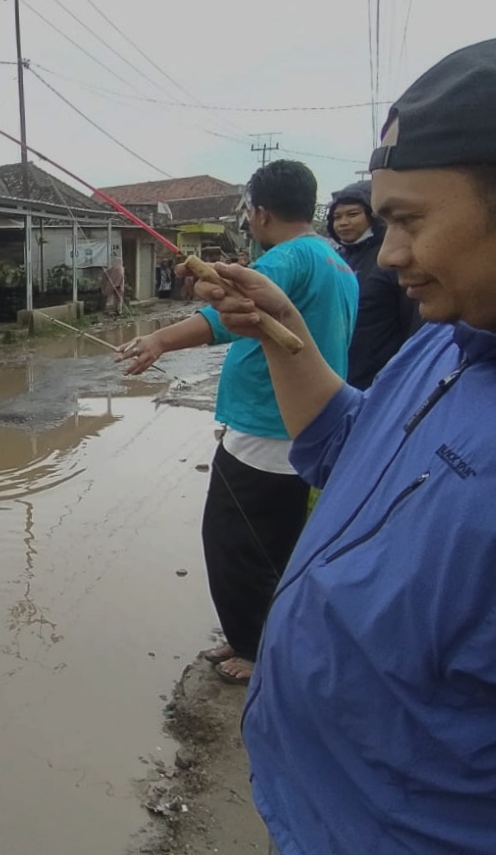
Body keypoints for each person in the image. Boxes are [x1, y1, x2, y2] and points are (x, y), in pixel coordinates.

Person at [198, 35, 496, 855]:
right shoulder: (454, 335)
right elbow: (347, 443)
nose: (391, 253)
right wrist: (282, 333)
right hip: (312, 815)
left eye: (408, 221)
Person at [119, 160, 357, 685]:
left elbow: (228, 316)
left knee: (237, 544)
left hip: (267, 425)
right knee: (270, 538)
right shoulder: (335, 260)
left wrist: (158, 340)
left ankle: (255, 647)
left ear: (262, 212)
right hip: (299, 421)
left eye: (249, 212)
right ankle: (255, 630)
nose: (249, 221)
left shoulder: (289, 257)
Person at [328, 180, 423, 388]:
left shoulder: (390, 259)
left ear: (373, 216)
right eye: (337, 217)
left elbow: (414, 323)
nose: (343, 222)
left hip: (379, 378)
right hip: (338, 374)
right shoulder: (334, 258)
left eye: (352, 214)